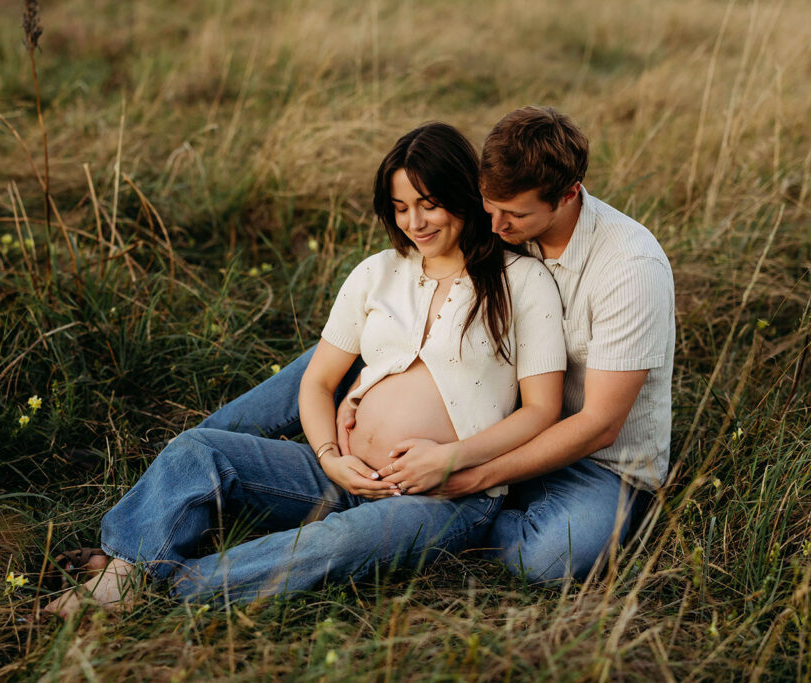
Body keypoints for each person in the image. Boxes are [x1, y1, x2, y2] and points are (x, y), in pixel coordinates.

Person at [43, 122, 565, 617]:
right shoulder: (378, 273)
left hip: (445, 496)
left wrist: (450, 460)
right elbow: (316, 382)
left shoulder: (521, 281)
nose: (415, 223)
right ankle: (125, 572)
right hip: (339, 476)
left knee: (336, 542)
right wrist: (330, 456)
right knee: (197, 450)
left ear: (462, 196)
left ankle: (164, 588)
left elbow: (542, 410)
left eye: (429, 205)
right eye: (401, 207)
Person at [198, 106, 675, 583]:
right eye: (489, 206)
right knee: (358, 351)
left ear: (569, 195)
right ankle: (205, 446)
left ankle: (445, 526)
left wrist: (472, 476)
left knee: (553, 558)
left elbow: (599, 424)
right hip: (498, 414)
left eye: (514, 214)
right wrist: (369, 388)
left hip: (592, 459)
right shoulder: (504, 227)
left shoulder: (628, 268)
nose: (495, 226)